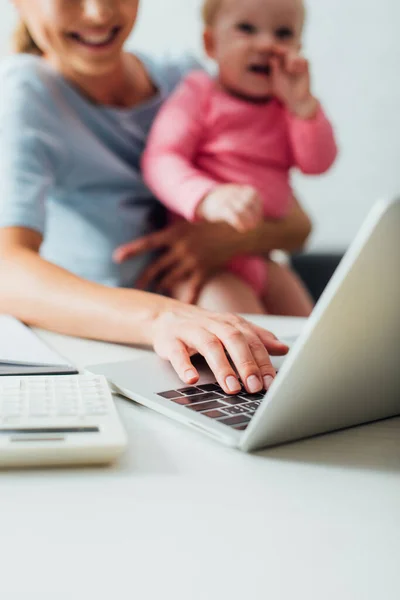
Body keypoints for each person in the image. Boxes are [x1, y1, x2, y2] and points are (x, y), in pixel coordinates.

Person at [0, 0, 312, 397]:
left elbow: (297, 225)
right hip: (113, 349)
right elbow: (5, 271)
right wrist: (164, 317)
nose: (98, 13)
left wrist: (223, 241)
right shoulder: (23, 94)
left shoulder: (185, 79)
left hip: (207, 330)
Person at [120, 0, 337, 316]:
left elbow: (317, 163)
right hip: (210, 269)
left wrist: (303, 107)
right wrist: (207, 196)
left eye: (283, 33)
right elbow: (162, 159)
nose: (267, 44)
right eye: (246, 28)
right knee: (249, 341)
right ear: (211, 43)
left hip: (264, 258)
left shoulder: (287, 108)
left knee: (311, 336)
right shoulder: (199, 94)